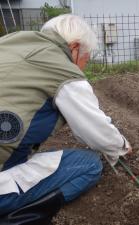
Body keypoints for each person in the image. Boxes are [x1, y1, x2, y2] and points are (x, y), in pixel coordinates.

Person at [0, 14, 131, 224]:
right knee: (88, 164)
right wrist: (120, 146)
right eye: (85, 59)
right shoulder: (62, 69)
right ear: (75, 47)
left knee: (40, 156)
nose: (83, 67)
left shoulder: (13, 41)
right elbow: (94, 130)